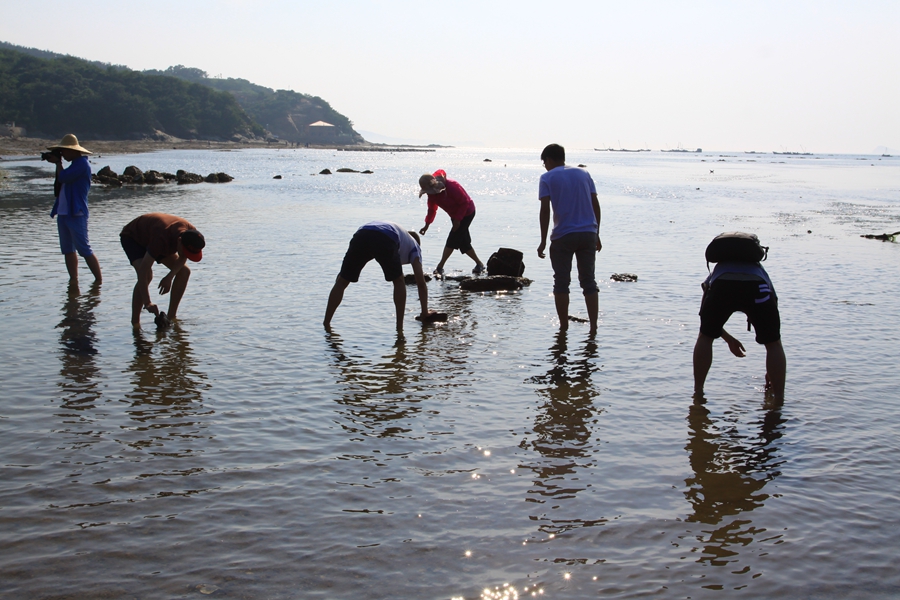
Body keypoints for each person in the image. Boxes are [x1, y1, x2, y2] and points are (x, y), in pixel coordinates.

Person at [692, 247, 786, 400]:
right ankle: (779, 400)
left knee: (705, 337)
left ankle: (698, 394)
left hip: (722, 286)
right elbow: (773, 306)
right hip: (757, 287)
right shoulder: (759, 270)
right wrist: (774, 370)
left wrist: (728, 339)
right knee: (774, 344)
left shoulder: (717, 271)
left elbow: (705, 319)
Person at [324, 221, 436, 335]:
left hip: (361, 233)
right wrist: (425, 312)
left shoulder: (402, 236)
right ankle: (400, 330)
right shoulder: (415, 247)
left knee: (342, 281)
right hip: (385, 237)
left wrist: (343, 275)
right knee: (399, 281)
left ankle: (326, 324)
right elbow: (421, 283)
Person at [536, 143, 602, 334]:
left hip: (563, 235)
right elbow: (596, 204)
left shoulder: (547, 177)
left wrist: (542, 241)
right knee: (589, 281)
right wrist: (597, 233)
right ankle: (593, 328)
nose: (545, 167)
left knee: (561, 282)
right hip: (588, 233)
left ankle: (563, 328)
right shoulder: (584, 174)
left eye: (544, 163)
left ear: (548, 159)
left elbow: (545, 210)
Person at [120, 213, 206, 329]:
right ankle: (135, 323)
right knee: (147, 275)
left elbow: (183, 257)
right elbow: (143, 271)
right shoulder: (161, 238)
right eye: (185, 251)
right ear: (179, 241)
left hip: (158, 238)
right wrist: (148, 302)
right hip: (133, 238)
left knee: (184, 272)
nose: (186, 255)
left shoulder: (192, 235)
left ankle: (171, 317)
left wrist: (169, 277)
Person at [47, 134, 102, 283]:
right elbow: (60, 183)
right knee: (67, 250)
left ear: (73, 151)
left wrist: (58, 164)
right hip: (64, 213)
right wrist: (58, 165)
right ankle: (74, 281)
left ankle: (98, 282)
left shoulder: (82, 164)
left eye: (64, 151)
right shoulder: (73, 165)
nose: (63, 154)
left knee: (84, 249)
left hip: (76, 213)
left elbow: (64, 177)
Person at [418, 170, 486, 275]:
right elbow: (432, 210)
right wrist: (426, 225)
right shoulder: (431, 195)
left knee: (452, 239)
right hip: (454, 216)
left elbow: (464, 203)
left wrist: (458, 220)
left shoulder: (452, 186)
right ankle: (480, 264)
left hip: (467, 212)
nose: (428, 193)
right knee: (463, 242)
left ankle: (440, 267)